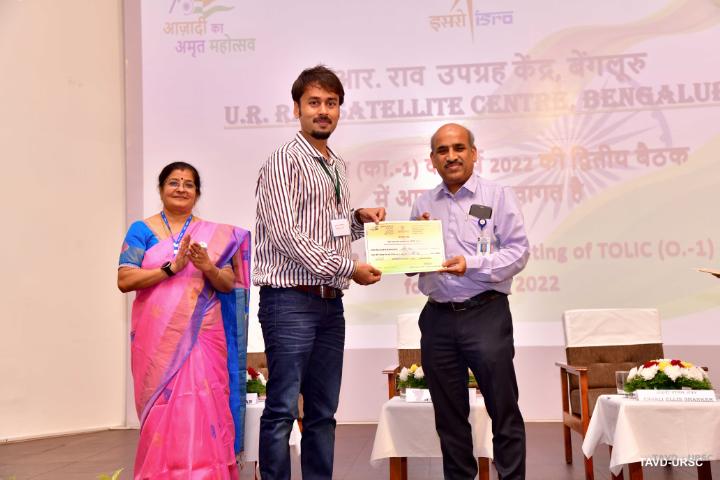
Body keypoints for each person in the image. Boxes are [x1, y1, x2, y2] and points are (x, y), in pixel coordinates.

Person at [253, 65, 385, 480]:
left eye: (331, 103)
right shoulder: (283, 161)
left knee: (324, 413)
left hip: (330, 304)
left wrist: (358, 219)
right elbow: (286, 236)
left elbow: (327, 228)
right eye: (314, 102)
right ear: (297, 109)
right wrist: (350, 268)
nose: (323, 111)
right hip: (289, 301)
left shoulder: (336, 164)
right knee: (281, 409)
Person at [410, 123, 530, 480]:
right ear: (432, 159)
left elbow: (518, 252)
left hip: (486, 313)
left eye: (459, 148)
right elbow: (412, 262)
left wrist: (472, 264)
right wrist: (409, 251)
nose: (451, 156)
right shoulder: (423, 203)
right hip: (437, 319)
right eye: (442, 151)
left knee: (503, 410)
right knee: (449, 418)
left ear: (473, 153)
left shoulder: (497, 196)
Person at [118, 162, 251, 479]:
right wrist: (170, 269)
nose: (181, 189)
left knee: (205, 402)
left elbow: (227, 284)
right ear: (161, 188)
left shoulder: (214, 236)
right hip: (156, 340)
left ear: (197, 193)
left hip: (204, 334)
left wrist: (208, 266)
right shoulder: (141, 231)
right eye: (174, 182)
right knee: (164, 410)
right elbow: (125, 279)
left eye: (188, 184)